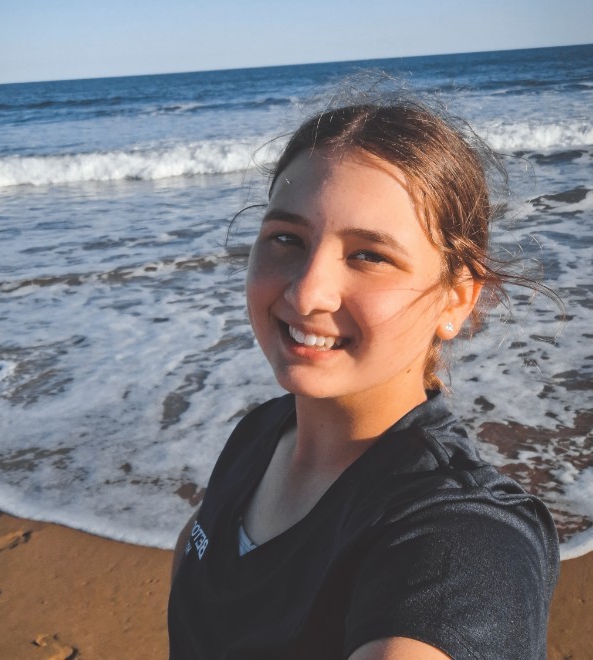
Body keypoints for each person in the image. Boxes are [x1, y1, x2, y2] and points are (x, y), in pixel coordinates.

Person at [167, 98, 560, 659]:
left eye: (369, 256)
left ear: (456, 298)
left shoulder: (460, 539)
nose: (307, 292)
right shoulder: (260, 434)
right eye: (286, 239)